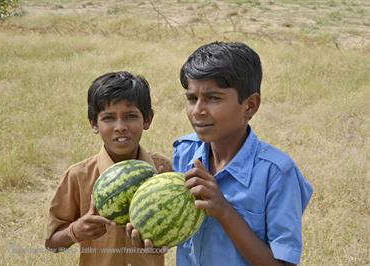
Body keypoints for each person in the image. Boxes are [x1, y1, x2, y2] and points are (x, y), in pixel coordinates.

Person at [173, 42, 313, 266]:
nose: (198, 110)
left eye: (213, 98)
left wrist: (224, 211)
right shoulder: (184, 152)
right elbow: (178, 228)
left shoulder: (276, 173)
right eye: (192, 98)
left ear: (250, 105)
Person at [45, 71, 172, 266]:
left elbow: (173, 227)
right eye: (108, 118)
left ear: (147, 119)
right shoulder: (79, 176)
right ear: (93, 123)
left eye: (130, 116)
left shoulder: (163, 171)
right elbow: (53, 244)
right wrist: (75, 231)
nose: (120, 127)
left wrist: (165, 241)